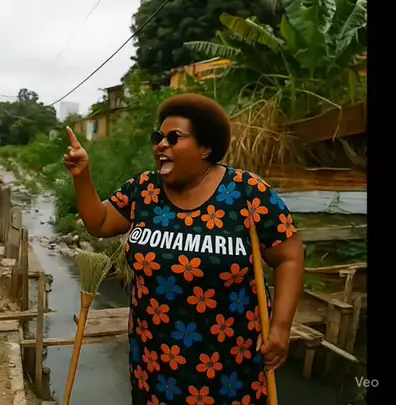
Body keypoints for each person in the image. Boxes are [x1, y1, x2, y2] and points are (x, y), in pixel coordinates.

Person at [63, 93, 304, 405]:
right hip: (153, 365)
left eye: (174, 138)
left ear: (206, 148)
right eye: (158, 138)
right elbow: (100, 222)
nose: (161, 145)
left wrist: (281, 328)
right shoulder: (144, 190)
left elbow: (289, 257)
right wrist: (82, 176)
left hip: (231, 369)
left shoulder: (248, 193)